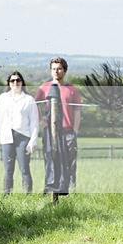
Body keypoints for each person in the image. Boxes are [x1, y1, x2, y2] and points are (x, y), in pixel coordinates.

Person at [34, 57, 82, 198]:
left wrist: (75, 131)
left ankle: (71, 189)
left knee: (70, 161)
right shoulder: (44, 88)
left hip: (68, 131)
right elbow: (34, 104)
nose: (56, 71)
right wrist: (40, 120)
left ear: (64, 70)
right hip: (50, 131)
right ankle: (49, 187)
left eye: (59, 68)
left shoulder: (72, 89)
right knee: (50, 159)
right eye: (54, 69)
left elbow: (77, 111)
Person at [0, 71, 39, 194]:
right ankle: (7, 195)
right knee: (8, 169)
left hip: (23, 137)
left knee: (24, 168)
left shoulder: (29, 100)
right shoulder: (3, 98)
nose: (15, 83)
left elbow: (34, 122)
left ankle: (28, 195)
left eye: (18, 80)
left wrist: (33, 141)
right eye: (12, 81)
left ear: (22, 82)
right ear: (9, 83)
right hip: (7, 136)